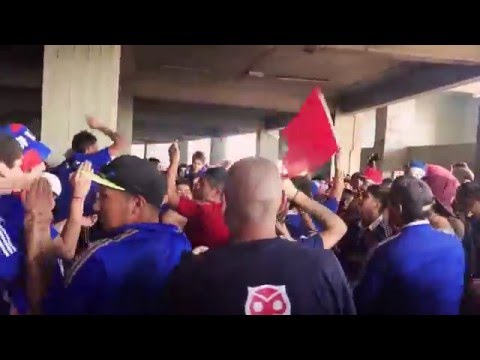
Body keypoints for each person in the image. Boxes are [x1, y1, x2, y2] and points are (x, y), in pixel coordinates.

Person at [164, 157, 354, 315]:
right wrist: (297, 195)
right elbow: (337, 227)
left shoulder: (193, 272)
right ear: (281, 204)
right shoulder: (323, 266)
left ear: (224, 203)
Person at [38, 155, 191, 315]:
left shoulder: (100, 259)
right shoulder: (180, 243)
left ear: (136, 204)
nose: (97, 206)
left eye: (104, 197)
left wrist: (35, 231)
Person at [354, 176, 465, 315]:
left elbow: (363, 303)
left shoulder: (386, 251)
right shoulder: (454, 243)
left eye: (388, 205)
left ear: (399, 209)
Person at [52, 116, 127, 223]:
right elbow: (120, 143)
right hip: (82, 223)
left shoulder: (64, 165)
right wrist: (100, 126)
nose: (98, 151)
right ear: (89, 149)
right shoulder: (91, 160)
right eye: (96, 148)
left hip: (59, 222)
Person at [167, 142, 229, 248]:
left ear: (216, 192)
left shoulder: (204, 210)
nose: (196, 185)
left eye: (202, 184)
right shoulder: (231, 212)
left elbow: (171, 197)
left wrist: (174, 161)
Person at [337, 185, 392, 285]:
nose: (360, 200)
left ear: (377, 204)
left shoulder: (384, 234)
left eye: (366, 197)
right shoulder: (352, 225)